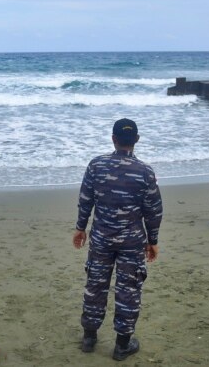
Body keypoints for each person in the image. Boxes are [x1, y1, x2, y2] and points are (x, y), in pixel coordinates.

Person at [73, 118, 163, 361]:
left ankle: (89, 338)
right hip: (131, 241)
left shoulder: (96, 165)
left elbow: (85, 199)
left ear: (113, 138)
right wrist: (152, 240)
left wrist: (81, 227)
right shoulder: (145, 172)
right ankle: (122, 345)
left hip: (101, 237)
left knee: (95, 285)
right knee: (129, 289)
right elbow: (153, 210)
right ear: (136, 141)